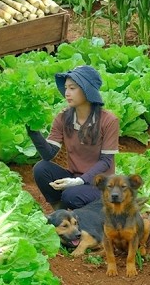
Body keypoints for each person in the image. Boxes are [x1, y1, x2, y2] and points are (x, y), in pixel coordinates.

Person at [27, 65, 120, 210]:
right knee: (41, 168)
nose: (67, 93)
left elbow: (106, 161)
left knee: (71, 195)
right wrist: (33, 132)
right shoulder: (63, 117)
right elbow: (48, 154)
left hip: (101, 184)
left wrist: (80, 181)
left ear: (87, 90)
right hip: (74, 177)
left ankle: (92, 212)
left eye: (73, 88)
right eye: (66, 88)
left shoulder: (109, 120)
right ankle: (60, 211)